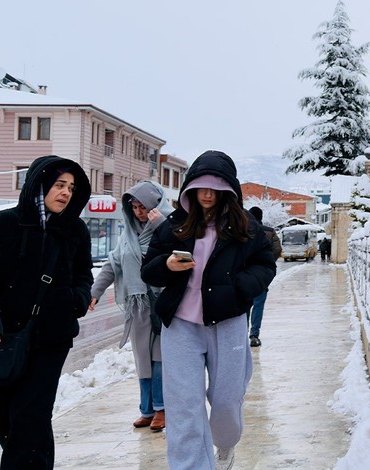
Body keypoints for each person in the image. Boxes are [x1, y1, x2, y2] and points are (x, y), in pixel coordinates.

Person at [141, 150, 276, 470]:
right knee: (184, 406)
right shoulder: (174, 226)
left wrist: (240, 288)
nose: (206, 193)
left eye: (214, 187)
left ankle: (226, 445)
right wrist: (168, 265)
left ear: (228, 190)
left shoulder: (247, 227)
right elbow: (149, 269)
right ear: (190, 188)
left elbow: (265, 265)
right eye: (200, 186)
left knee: (227, 401)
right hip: (181, 326)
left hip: (227, 322)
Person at [0, 155, 92, 469]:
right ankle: (29, 456)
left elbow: (83, 275)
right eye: (59, 184)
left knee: (30, 414)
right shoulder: (2, 224)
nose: (65, 193)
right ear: (39, 184)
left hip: (52, 338)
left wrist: (74, 300)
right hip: (2, 334)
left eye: (71, 188)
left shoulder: (75, 230)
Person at [88, 180, 173, 432]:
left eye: (143, 206)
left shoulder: (171, 226)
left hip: (164, 303)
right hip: (137, 305)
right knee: (142, 359)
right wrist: (95, 292)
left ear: (155, 204)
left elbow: (183, 250)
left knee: (160, 358)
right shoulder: (128, 234)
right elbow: (113, 264)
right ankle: (146, 410)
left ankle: (161, 408)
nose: (138, 212)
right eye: (134, 207)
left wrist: (162, 225)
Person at [247, 206, 282, 347]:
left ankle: (242, 333)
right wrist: (266, 263)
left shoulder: (244, 230)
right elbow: (277, 249)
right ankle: (254, 335)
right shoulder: (269, 232)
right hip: (261, 276)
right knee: (258, 305)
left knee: (244, 305)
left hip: (245, 274)